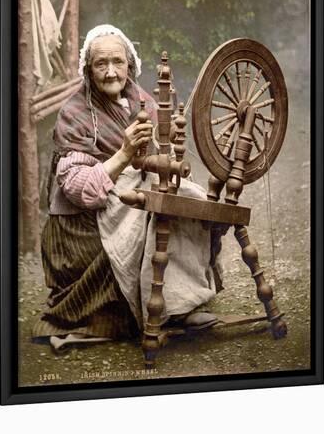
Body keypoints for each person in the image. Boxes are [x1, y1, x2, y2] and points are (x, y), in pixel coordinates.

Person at [32, 25, 219, 346]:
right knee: (150, 214)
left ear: (130, 66)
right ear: (88, 71)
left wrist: (170, 143)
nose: (110, 72)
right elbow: (81, 192)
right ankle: (165, 309)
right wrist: (124, 152)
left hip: (120, 200)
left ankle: (181, 300)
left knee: (187, 197)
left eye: (117, 62)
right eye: (100, 64)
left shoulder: (138, 98)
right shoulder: (74, 114)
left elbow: (157, 158)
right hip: (80, 227)